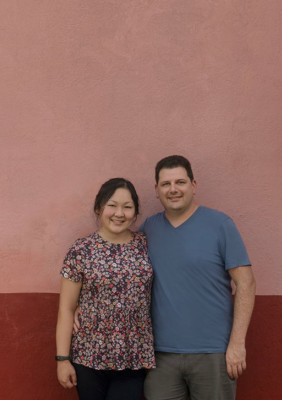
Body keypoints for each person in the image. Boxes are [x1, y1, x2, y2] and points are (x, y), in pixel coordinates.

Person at [140, 155, 256, 400]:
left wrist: (237, 344)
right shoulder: (147, 229)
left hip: (213, 353)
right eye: (166, 184)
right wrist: (81, 307)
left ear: (193, 185)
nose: (173, 190)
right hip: (159, 356)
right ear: (157, 189)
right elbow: (121, 276)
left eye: (180, 182)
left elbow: (246, 282)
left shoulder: (220, 224)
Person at [56, 178, 155, 400]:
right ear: (99, 207)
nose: (119, 213)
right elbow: (66, 309)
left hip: (132, 358)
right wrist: (62, 360)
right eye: (112, 205)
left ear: (135, 212)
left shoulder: (145, 245)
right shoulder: (80, 250)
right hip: (89, 356)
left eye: (127, 207)